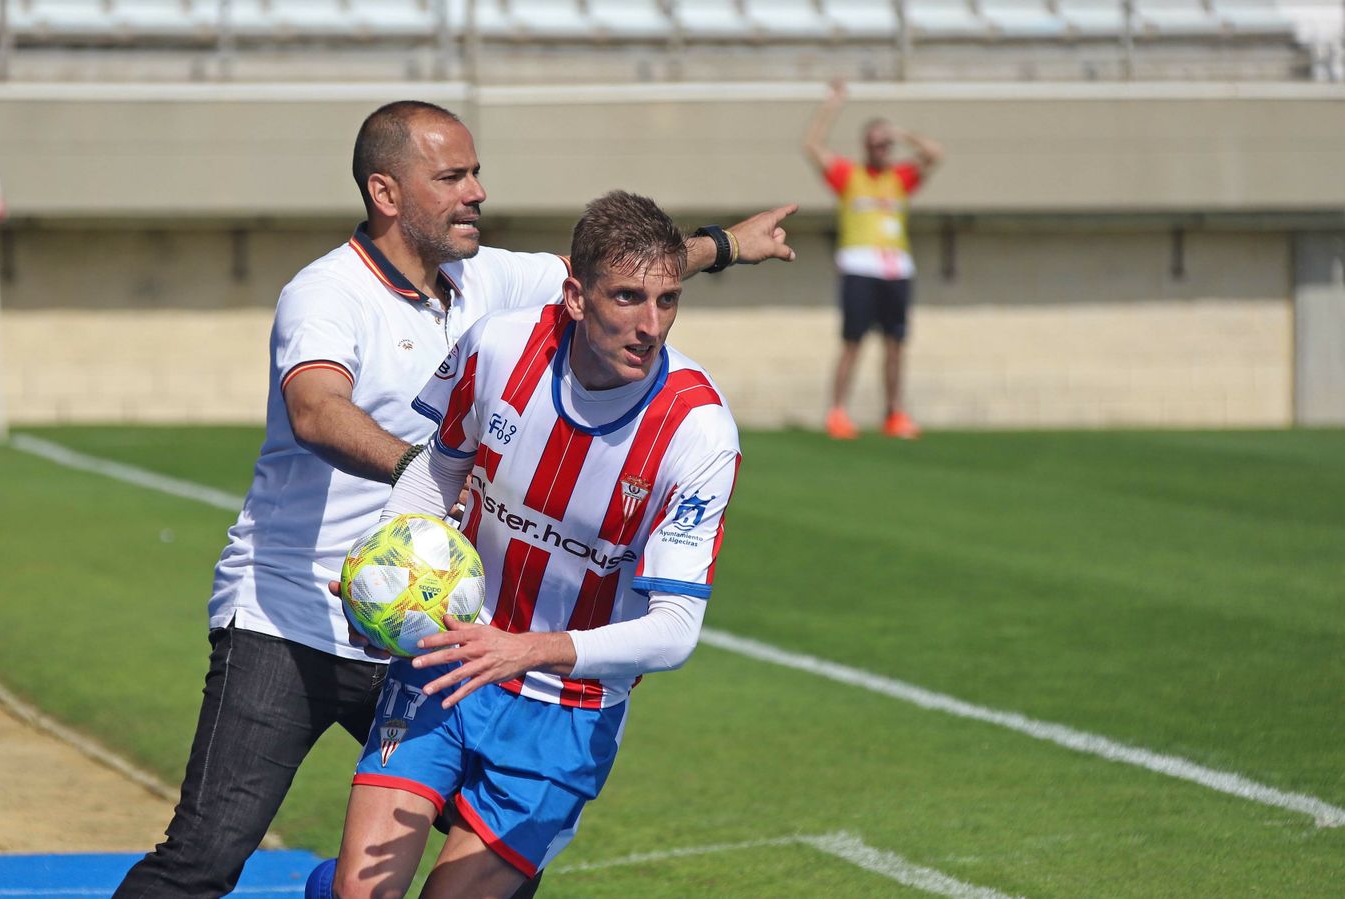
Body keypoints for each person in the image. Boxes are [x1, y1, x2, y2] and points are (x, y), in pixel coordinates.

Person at [115, 101, 796, 898]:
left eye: (476, 172)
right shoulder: (326, 293)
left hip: (437, 627)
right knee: (205, 857)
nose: (476, 191)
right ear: (387, 193)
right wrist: (439, 486)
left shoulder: (493, 282)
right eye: (452, 177)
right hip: (295, 614)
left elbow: (625, 267)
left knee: (491, 865)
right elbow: (316, 411)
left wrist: (728, 246)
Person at [312, 190, 742, 899]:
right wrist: (383, 569)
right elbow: (439, 468)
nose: (649, 324)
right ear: (575, 294)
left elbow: (674, 631)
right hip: (449, 663)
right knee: (363, 893)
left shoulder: (698, 434)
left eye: (666, 301)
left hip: (566, 712)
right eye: (628, 297)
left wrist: (526, 649)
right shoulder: (501, 345)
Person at [801, 78, 943, 440]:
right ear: (866, 145)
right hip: (859, 267)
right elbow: (812, 145)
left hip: (896, 268)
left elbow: (935, 154)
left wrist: (900, 131)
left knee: (895, 343)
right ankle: (837, 412)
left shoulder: (900, 178)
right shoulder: (852, 176)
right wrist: (834, 104)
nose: (882, 148)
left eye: (886, 143)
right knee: (853, 341)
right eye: (877, 142)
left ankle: (894, 413)